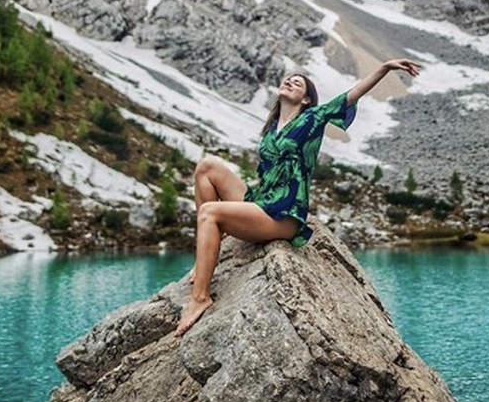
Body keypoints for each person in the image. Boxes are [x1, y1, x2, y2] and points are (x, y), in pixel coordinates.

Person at [175, 58, 421, 336]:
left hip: (282, 215)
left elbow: (351, 95)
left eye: (298, 82)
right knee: (207, 167)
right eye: (288, 79)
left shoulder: (311, 120)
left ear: (305, 98)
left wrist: (384, 68)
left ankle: (200, 298)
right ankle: (208, 249)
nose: (290, 80)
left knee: (209, 212)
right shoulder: (270, 130)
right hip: (261, 201)